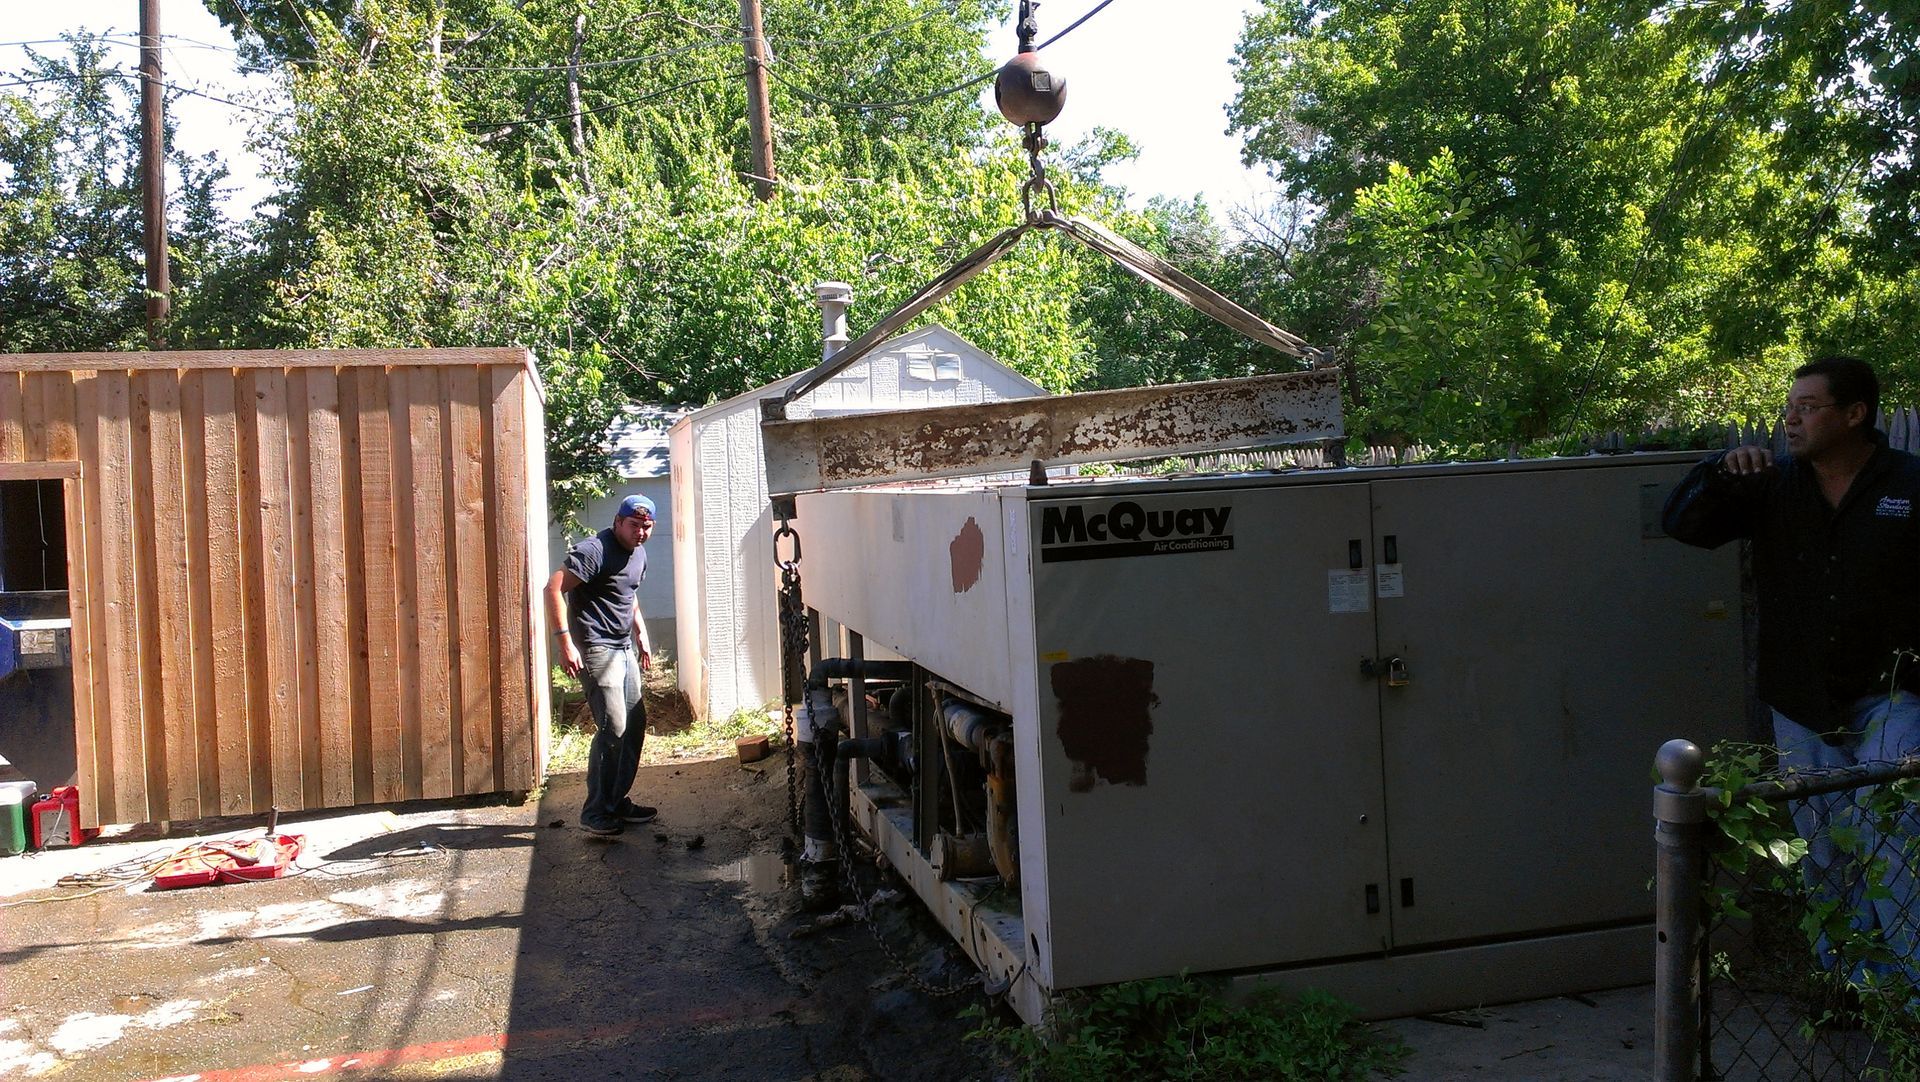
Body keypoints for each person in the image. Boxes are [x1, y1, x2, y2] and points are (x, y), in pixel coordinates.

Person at [1664, 355, 1920, 985]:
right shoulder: (1771, 484)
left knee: (1898, 844)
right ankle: (1848, 990)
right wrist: (1718, 474)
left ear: (1855, 414)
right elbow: (1681, 524)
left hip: (1892, 694)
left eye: (1809, 406)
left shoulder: (1909, 485)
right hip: (1801, 701)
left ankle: (1910, 1004)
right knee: (1825, 849)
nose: (1791, 417)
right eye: (1791, 405)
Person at [546, 494, 658, 836]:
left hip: (623, 647)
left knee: (635, 723)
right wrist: (564, 642)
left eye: (646, 527)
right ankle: (595, 811)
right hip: (596, 647)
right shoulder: (595, 550)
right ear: (618, 522)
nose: (640, 532)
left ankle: (615, 801)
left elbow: (627, 593)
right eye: (634, 525)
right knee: (614, 727)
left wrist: (641, 634)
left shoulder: (638, 553)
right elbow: (553, 588)